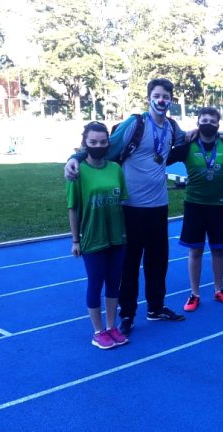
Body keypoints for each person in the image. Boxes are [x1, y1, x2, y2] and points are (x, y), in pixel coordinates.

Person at [64, 78, 189, 335]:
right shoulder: (136, 124)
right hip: (131, 207)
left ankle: (156, 307)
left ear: (171, 100)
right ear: (149, 97)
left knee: (158, 261)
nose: (161, 100)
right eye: (157, 95)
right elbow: (106, 146)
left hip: (159, 206)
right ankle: (127, 314)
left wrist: (216, 133)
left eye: (166, 96)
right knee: (130, 264)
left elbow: (187, 138)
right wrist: (74, 158)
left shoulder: (171, 127)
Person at [167, 107, 223, 312]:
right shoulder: (188, 145)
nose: (208, 124)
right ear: (197, 123)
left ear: (218, 124)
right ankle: (194, 294)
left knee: (218, 250)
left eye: (212, 121)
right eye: (204, 120)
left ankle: (219, 290)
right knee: (195, 251)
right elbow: (164, 158)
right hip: (194, 206)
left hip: (218, 205)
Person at [67, 122, 129, 349]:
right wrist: (75, 240)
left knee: (114, 282)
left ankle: (111, 327)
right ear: (85, 143)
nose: (98, 146)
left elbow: (121, 201)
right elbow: (73, 208)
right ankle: (98, 331)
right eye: (93, 142)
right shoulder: (77, 172)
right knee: (95, 283)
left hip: (117, 237)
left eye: (103, 142)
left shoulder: (115, 169)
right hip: (92, 237)